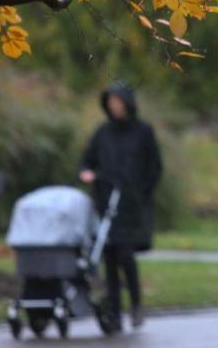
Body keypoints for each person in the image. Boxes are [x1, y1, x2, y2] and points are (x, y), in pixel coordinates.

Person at [79, 81, 162, 332]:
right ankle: (114, 313)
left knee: (125, 254)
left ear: (127, 103)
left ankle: (136, 304)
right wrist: (87, 174)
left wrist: (141, 192)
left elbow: (154, 167)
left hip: (130, 203)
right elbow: (86, 162)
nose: (114, 107)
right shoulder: (103, 132)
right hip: (106, 202)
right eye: (111, 103)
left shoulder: (143, 132)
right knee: (110, 258)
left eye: (118, 102)